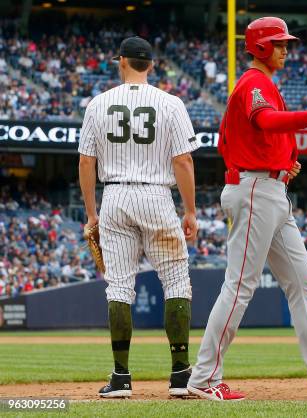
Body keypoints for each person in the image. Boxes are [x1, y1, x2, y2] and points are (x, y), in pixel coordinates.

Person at [187, 17, 307, 401]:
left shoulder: (265, 84)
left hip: (270, 188)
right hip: (254, 190)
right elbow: (266, 121)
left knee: (303, 283)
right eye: (280, 43)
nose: (286, 49)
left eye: (286, 43)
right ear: (261, 47)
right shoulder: (254, 82)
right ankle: (204, 379)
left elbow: (245, 136)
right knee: (240, 286)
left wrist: (284, 160)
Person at [78, 36, 199, 398]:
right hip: (157, 195)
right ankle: (180, 375)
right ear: (151, 64)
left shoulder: (98, 104)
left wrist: (91, 214)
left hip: (114, 195)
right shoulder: (171, 103)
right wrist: (190, 210)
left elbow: (86, 162)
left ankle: (121, 378)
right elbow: (183, 160)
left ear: (121, 62)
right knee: (177, 283)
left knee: (118, 287)